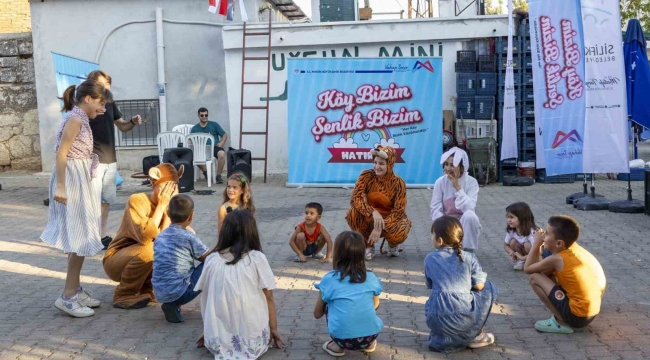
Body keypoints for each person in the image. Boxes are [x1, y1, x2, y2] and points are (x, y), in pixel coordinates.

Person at [40, 81, 113, 317]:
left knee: (80, 236)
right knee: (78, 237)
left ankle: (75, 289)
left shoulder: (80, 117)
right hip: (71, 179)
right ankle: (68, 296)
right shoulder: (75, 119)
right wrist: (61, 187)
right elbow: (61, 154)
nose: (102, 108)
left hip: (78, 176)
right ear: (89, 98)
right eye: (100, 103)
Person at [195, 210, 284, 359]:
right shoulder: (256, 259)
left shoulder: (211, 260)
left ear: (225, 232)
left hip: (216, 339)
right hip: (252, 338)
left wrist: (208, 331)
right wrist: (273, 329)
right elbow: (269, 297)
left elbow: (206, 299)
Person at [103, 163, 183, 309]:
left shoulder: (169, 207)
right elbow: (146, 236)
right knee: (150, 249)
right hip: (116, 260)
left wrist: (168, 210)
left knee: (166, 248)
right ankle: (123, 295)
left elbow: (165, 241)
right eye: (166, 187)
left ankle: (147, 289)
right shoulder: (137, 200)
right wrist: (161, 206)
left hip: (141, 254)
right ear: (154, 183)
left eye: (173, 188)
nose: (169, 192)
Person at [86, 70, 142, 249]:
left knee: (106, 200)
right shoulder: (85, 105)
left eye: (108, 84)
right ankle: (88, 236)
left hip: (110, 159)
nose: (106, 88)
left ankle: (102, 235)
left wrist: (132, 122)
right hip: (92, 159)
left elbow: (122, 126)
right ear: (93, 84)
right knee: (91, 201)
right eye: (102, 84)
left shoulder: (109, 102)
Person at [425, 216, 498, 353]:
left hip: (435, 319)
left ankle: (445, 337)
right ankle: (477, 335)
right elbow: (479, 286)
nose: (431, 238)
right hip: (463, 320)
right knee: (488, 287)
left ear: (439, 241)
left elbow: (430, 284)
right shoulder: (469, 257)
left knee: (435, 297)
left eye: (432, 235)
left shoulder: (429, 258)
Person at [524, 216, 606, 334]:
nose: (543, 236)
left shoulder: (557, 259)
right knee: (545, 276)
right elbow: (540, 270)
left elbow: (528, 269)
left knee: (534, 278)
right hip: (590, 314)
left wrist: (536, 243)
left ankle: (561, 323)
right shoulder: (571, 253)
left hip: (578, 317)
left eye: (546, 234)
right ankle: (563, 317)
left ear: (559, 243)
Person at [314, 231, 383, 357]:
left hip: (342, 338)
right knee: (365, 303)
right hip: (371, 335)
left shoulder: (329, 280)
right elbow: (375, 305)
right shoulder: (371, 277)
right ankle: (368, 344)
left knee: (329, 304)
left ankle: (337, 347)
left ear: (337, 254)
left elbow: (317, 314)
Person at [346, 146, 412, 260]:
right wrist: (373, 212)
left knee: (402, 228)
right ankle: (368, 245)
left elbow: (399, 212)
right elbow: (355, 199)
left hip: (389, 221)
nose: (376, 167)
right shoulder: (366, 175)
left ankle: (393, 245)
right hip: (370, 217)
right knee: (352, 213)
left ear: (390, 164)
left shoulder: (399, 183)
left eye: (381, 163)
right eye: (375, 162)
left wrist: (379, 227)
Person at [152, 194, 209, 323]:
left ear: (168, 213)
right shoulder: (189, 237)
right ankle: (215, 306)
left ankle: (172, 305)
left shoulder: (160, 236)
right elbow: (208, 258)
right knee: (211, 264)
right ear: (191, 216)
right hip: (181, 293)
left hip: (159, 292)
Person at [430, 147, 482, 252]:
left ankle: (468, 250)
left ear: (462, 167)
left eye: (452, 165)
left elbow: (469, 207)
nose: (448, 168)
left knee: (470, 216)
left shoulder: (471, 182)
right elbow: (435, 209)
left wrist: (458, 188)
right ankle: (447, 247)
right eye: (446, 164)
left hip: (463, 225)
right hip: (447, 224)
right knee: (439, 219)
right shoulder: (440, 182)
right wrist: (444, 226)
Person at [190, 107, 228, 184]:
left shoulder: (214, 125)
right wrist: (193, 144)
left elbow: (224, 134)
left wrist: (221, 143)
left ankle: (218, 176)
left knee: (222, 154)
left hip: (214, 147)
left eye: (206, 115)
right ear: (198, 116)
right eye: (202, 115)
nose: (204, 117)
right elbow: (190, 140)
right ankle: (206, 173)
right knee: (194, 156)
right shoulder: (194, 129)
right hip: (201, 149)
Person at [503, 202, 538, 271]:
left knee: (527, 244)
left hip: (535, 255)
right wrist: (511, 252)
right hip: (525, 254)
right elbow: (505, 245)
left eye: (512, 217)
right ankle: (522, 262)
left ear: (522, 218)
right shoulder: (511, 230)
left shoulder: (531, 232)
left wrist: (522, 257)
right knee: (512, 242)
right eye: (508, 217)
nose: (509, 220)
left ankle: (531, 263)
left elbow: (536, 252)